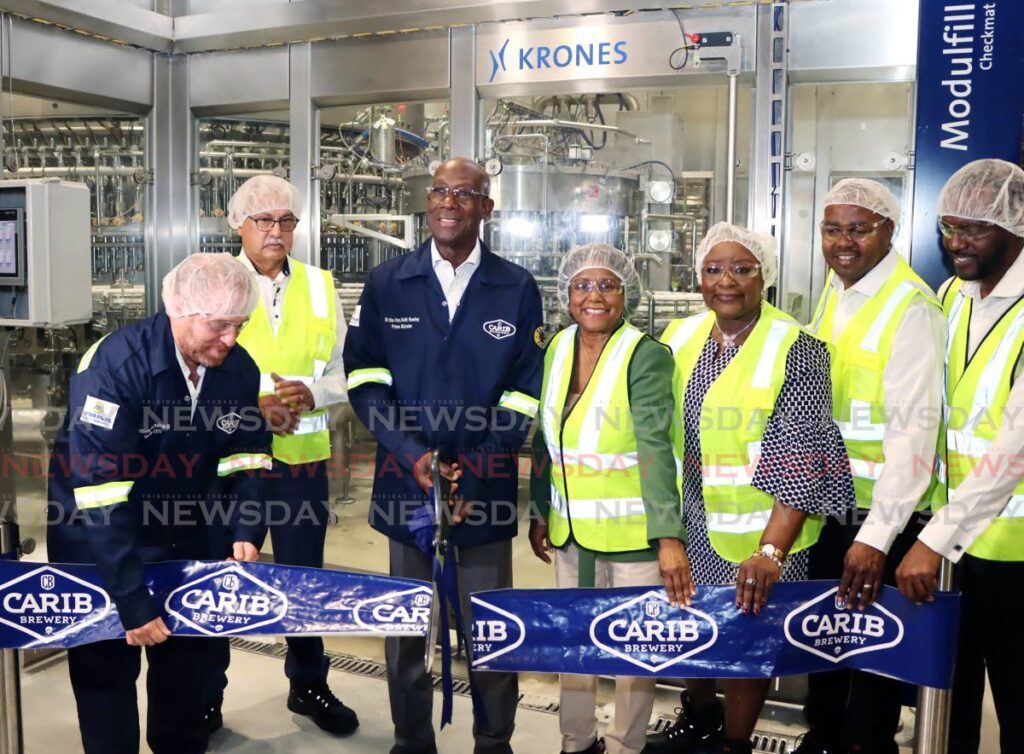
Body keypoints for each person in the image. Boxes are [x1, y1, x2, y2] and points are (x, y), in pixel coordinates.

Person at [343, 157, 544, 754]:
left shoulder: (516, 287)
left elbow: (524, 391)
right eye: (439, 192)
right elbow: (366, 382)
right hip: (408, 487)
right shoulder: (387, 284)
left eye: (465, 194)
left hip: (483, 489)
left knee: (491, 627)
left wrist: (478, 461)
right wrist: (413, 454)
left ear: (487, 207)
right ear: (426, 203)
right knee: (408, 626)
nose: (448, 203)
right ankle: (411, 739)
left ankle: (492, 739)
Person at [46, 253, 272, 754]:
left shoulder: (237, 369)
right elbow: (100, 495)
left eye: (240, 325)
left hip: (185, 545)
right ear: (179, 309)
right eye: (219, 326)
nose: (231, 340)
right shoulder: (114, 367)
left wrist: (245, 530)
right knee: (106, 688)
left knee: (185, 689)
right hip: (99, 547)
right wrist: (130, 598)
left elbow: (248, 459)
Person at [644, 223, 853, 754]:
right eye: (713, 269)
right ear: (698, 279)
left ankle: (735, 743)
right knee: (688, 626)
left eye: (742, 268)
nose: (726, 281)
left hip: (761, 533)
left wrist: (769, 551)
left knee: (746, 643)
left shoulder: (797, 348)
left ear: (766, 277)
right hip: (688, 520)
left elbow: (806, 458)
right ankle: (701, 716)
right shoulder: (678, 336)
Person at [794, 179, 945, 754]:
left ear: (889, 230)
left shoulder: (910, 307)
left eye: (859, 228)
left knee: (876, 655)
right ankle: (824, 735)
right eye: (833, 229)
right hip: (831, 503)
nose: (843, 242)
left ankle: (865, 744)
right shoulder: (837, 289)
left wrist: (878, 536)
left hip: (883, 513)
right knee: (828, 638)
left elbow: (914, 433)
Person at [204, 174, 355, 736]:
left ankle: (309, 685)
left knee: (303, 580)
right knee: (221, 579)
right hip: (229, 467)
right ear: (236, 224)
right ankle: (206, 694)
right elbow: (191, 366)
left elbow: (346, 372)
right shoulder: (213, 281)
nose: (276, 230)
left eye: (286, 220)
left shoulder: (320, 285)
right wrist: (254, 406)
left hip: (302, 464)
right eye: (263, 220)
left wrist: (315, 393)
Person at [527, 244, 693, 754]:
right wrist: (541, 510)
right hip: (571, 530)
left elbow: (655, 450)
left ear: (627, 294)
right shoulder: (557, 348)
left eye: (607, 285)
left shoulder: (644, 355)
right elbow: (545, 438)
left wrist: (669, 539)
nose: (593, 296)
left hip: (633, 535)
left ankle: (626, 745)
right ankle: (576, 742)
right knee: (575, 641)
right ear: (566, 294)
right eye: (582, 285)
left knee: (631, 649)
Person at [896, 158, 1024, 754]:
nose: (956, 244)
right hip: (954, 545)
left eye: (975, 229)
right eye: (949, 228)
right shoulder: (951, 295)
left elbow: (1012, 452)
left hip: (1013, 553)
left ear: (1015, 225)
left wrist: (933, 539)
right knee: (952, 694)